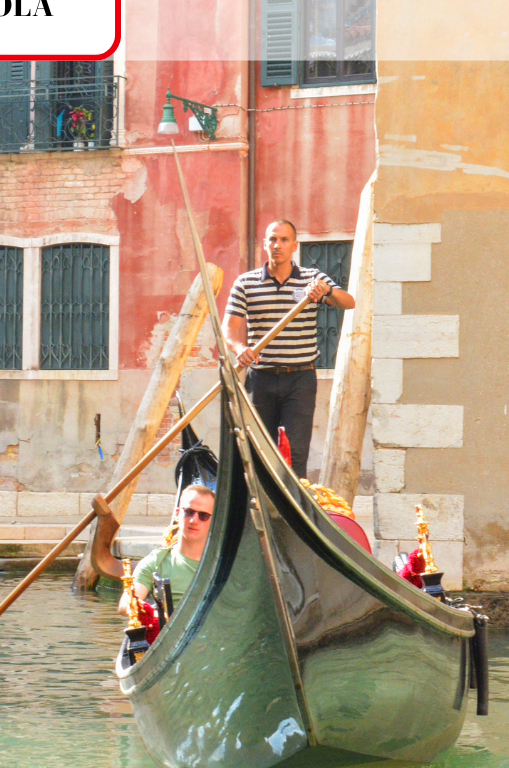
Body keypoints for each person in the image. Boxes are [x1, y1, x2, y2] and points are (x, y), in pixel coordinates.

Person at [224, 219, 355, 478]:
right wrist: (240, 348)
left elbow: (348, 302)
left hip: (300, 379)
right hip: (261, 378)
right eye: (272, 239)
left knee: (295, 453)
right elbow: (228, 329)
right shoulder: (245, 283)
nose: (277, 245)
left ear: (294, 245)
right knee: (261, 451)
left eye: (284, 240)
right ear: (265, 244)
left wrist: (327, 290)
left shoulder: (312, 279)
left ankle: (294, 509)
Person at [119, 484, 216, 614]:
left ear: (213, 520)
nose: (194, 520)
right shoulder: (155, 562)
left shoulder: (223, 565)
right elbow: (126, 605)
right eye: (189, 512)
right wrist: (155, 615)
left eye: (203, 515)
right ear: (177, 514)